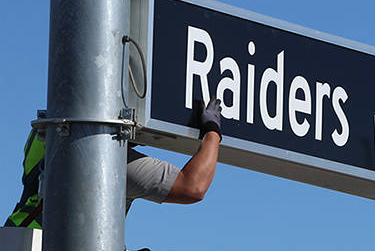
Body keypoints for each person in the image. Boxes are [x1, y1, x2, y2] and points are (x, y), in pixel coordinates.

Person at [5, 97, 223, 228]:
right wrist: (213, 131)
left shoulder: (49, 127)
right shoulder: (111, 164)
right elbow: (192, 187)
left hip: (17, 245)